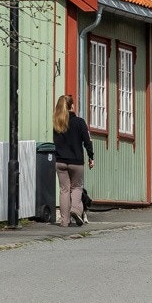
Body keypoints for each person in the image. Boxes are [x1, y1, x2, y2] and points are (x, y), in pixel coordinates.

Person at [53, 93, 93, 226]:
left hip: (60, 161)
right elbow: (87, 141)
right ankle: (75, 210)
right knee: (76, 187)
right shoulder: (79, 122)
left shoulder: (57, 123)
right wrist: (91, 157)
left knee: (64, 190)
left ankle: (64, 221)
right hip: (76, 162)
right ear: (72, 106)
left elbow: (56, 142)